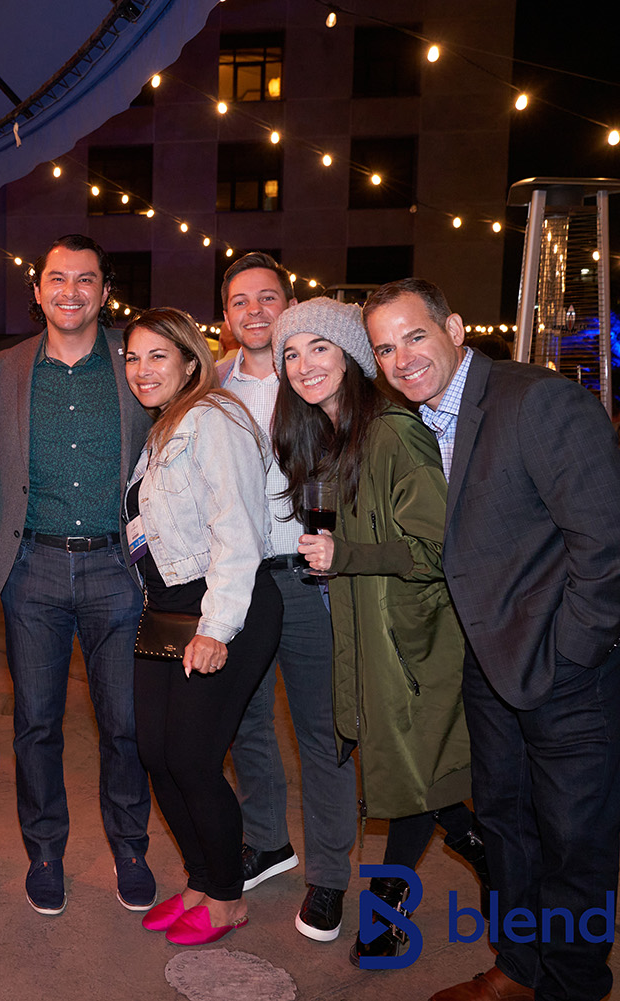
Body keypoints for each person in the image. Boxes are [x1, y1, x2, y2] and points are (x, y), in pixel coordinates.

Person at [364, 278, 620, 1001]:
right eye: (384, 348)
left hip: (571, 660)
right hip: (493, 651)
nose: (402, 358)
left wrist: (571, 656)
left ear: (455, 329)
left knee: (574, 837)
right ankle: (519, 968)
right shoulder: (428, 417)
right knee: (505, 820)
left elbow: (612, 542)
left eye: (414, 336)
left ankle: (571, 985)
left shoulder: (536, 400)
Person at [269, 297, 488, 965]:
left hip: (415, 641)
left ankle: (409, 906)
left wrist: (348, 555)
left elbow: (441, 549)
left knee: (412, 776)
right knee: (411, 777)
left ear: (352, 356)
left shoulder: (392, 432)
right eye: (291, 353)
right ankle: (476, 862)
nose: (303, 364)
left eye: (319, 347)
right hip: (373, 636)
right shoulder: (330, 437)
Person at [0, 234, 155, 915]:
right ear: (37, 290)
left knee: (126, 722)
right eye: (57, 278)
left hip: (118, 566)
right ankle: (45, 851)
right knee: (36, 723)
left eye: (86, 279)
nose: (71, 291)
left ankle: (131, 846)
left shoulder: (137, 361)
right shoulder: (3, 369)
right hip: (31, 566)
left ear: (105, 292)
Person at [124, 307, 281, 946]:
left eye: (158, 355)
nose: (142, 369)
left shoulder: (214, 419)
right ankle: (199, 879)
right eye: (133, 357)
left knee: (192, 758)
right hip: (165, 607)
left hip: (220, 606)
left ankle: (227, 898)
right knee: (156, 754)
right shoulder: (164, 427)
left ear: (192, 361)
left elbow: (238, 531)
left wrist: (215, 629)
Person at [216, 253, 356, 942]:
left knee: (322, 731)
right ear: (225, 315)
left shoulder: (315, 378)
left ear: (290, 305)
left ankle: (329, 875)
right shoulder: (211, 383)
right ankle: (267, 840)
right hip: (238, 579)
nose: (255, 311)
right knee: (245, 720)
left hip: (308, 577)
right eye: (240, 301)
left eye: (268, 297)